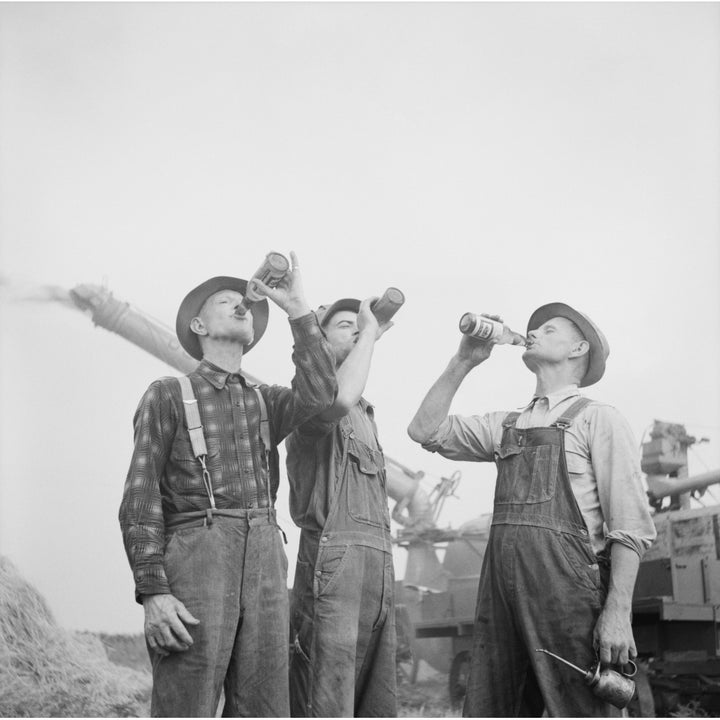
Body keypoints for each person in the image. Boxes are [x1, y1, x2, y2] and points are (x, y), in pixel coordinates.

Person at [407, 302, 656, 717]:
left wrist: (617, 613)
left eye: (549, 329)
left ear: (578, 349)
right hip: (501, 602)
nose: (533, 333)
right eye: (533, 329)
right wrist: (464, 360)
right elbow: (424, 430)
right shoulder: (505, 424)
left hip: (570, 599)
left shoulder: (599, 419)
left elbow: (629, 529)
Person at [118, 253, 337, 718]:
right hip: (196, 556)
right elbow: (140, 500)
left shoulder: (266, 402)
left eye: (247, 304)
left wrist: (297, 309)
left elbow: (321, 394)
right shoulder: (167, 394)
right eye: (225, 300)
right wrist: (154, 592)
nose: (242, 305)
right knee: (187, 703)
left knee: (265, 705)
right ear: (198, 325)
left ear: (254, 334)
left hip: (264, 556)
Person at [286, 297, 397, 718]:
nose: (356, 328)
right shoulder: (308, 399)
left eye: (360, 324)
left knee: (375, 704)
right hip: (331, 569)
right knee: (325, 703)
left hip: (376, 571)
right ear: (318, 340)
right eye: (344, 324)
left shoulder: (367, 415)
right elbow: (335, 399)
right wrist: (370, 331)